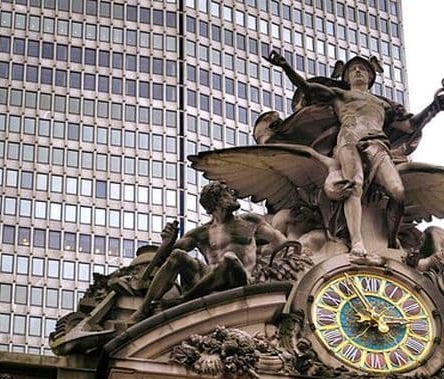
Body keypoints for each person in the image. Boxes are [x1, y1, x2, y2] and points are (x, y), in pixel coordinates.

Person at [265, 52, 428, 256]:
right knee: (354, 185)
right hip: (348, 142)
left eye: (363, 69)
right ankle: (357, 241)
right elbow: (308, 88)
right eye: (353, 69)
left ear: (371, 77)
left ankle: (392, 239)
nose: (358, 71)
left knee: (398, 192)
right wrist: (285, 66)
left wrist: (435, 107)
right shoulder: (339, 95)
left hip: (377, 144)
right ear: (346, 77)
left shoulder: (384, 105)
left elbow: (411, 125)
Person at [130, 182, 286, 321]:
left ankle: (182, 301)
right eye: (228, 193)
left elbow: (280, 241)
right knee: (178, 256)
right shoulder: (201, 233)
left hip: (239, 278)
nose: (234, 195)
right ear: (216, 201)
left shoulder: (249, 221)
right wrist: (168, 241)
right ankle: (143, 310)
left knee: (229, 259)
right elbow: (166, 256)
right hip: (208, 280)